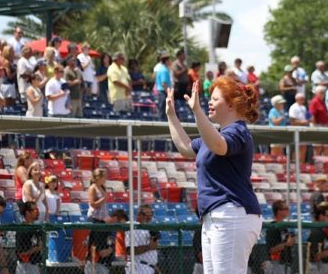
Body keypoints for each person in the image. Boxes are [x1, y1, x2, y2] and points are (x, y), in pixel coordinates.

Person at [166, 77, 262, 273]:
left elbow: (219, 146)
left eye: (215, 99)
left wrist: (197, 111)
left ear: (231, 104)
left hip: (231, 214)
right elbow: (185, 148)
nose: (209, 102)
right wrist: (171, 115)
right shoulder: (214, 136)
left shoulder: (238, 132)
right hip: (216, 216)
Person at [125, 204, 158, 274]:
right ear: (139, 215)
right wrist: (149, 247)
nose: (149, 217)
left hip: (149, 267)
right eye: (146, 214)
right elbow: (130, 250)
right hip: (137, 266)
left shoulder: (149, 229)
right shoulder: (133, 225)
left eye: (150, 214)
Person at [263, 200, 294, 274]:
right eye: (286, 208)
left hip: (284, 263)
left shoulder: (283, 226)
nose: (288, 210)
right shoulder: (272, 227)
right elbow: (271, 250)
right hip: (275, 264)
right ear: (279, 211)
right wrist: (287, 244)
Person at [307, 202, 328, 274]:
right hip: (316, 266)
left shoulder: (326, 229)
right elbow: (315, 256)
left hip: (324, 265)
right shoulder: (316, 231)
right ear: (321, 216)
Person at [15, 201, 42, 274]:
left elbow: (40, 246)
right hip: (25, 266)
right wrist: (35, 249)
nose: (37, 212)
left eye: (37, 210)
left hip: (35, 264)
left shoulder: (36, 228)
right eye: (34, 210)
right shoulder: (22, 229)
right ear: (27, 213)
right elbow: (21, 253)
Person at [288, 93, 309, 162]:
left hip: (303, 130)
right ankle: (295, 165)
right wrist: (303, 122)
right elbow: (292, 121)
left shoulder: (304, 107)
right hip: (296, 130)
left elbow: (307, 118)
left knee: (304, 147)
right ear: (296, 99)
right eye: (301, 99)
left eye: (303, 99)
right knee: (296, 147)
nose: (303, 100)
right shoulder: (293, 107)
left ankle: (302, 165)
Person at [309, 86, 328, 156]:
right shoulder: (314, 102)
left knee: (326, 146)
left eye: (324, 93)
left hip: (324, 126)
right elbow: (312, 116)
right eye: (321, 93)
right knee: (317, 147)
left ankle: (325, 164)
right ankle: (317, 164)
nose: (323, 94)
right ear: (316, 93)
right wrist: (315, 128)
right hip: (317, 126)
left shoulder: (322, 102)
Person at [154, 53, 171, 120]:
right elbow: (164, 83)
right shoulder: (164, 70)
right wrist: (169, 93)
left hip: (162, 92)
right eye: (169, 60)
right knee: (162, 110)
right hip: (163, 92)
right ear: (166, 61)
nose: (170, 61)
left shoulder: (163, 69)